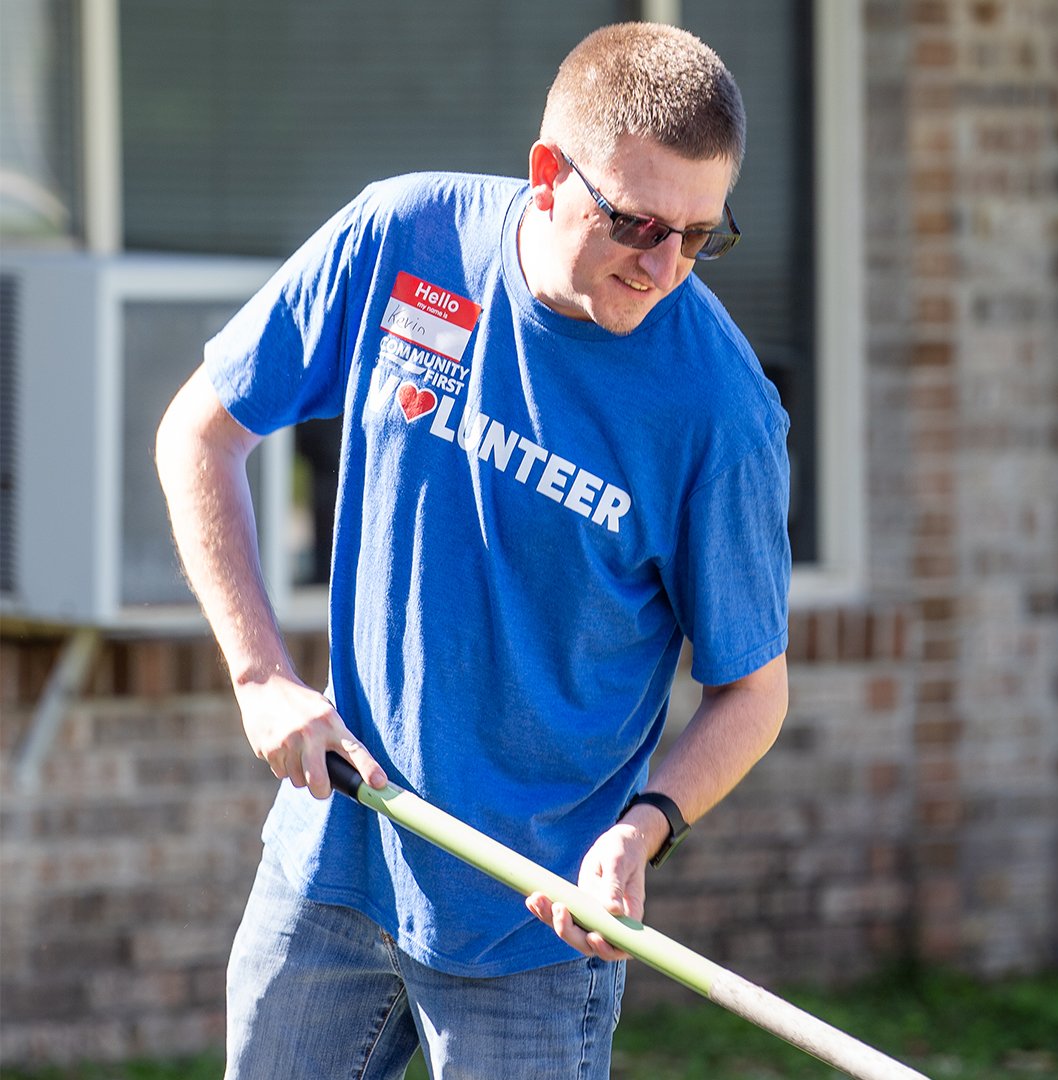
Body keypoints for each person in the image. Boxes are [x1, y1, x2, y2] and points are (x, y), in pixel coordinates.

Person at [156, 21, 791, 1080]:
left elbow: (753, 693)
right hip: (333, 863)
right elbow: (201, 432)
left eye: (700, 234)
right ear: (549, 175)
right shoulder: (404, 239)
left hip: (532, 933)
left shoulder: (719, 413)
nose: (666, 266)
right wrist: (262, 676)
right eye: (638, 224)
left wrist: (640, 831)